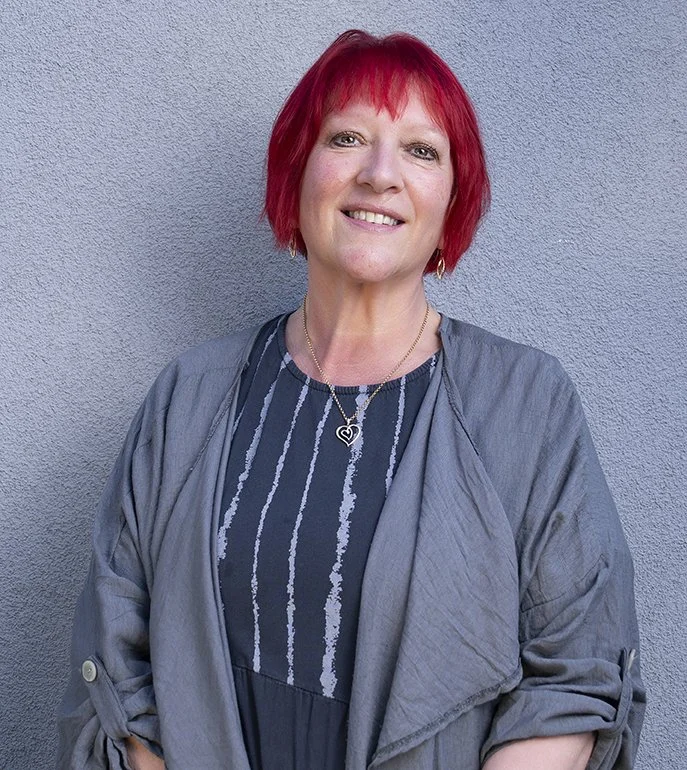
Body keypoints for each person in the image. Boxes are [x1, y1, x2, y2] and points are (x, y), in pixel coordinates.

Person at [57, 29, 645, 770]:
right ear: (296, 176)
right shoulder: (189, 397)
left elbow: (573, 673)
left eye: (421, 151)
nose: (379, 173)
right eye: (346, 138)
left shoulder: (527, 403)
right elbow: (115, 657)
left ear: (449, 203)